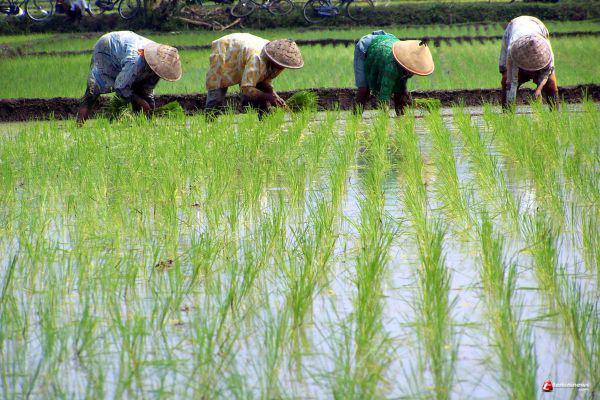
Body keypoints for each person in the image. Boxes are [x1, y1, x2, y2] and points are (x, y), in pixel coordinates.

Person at [77, 31, 182, 125]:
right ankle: (78, 126)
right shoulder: (134, 60)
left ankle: (142, 125)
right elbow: (120, 86)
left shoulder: (158, 69)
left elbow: (147, 91)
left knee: (139, 90)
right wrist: (141, 102)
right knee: (93, 91)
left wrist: (150, 109)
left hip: (127, 48)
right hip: (108, 47)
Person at [204, 33, 304, 115]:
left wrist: (274, 95)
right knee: (217, 93)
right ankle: (209, 123)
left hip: (244, 53)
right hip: (226, 49)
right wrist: (268, 97)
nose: (281, 68)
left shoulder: (276, 63)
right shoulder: (257, 59)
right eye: (280, 65)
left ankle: (265, 121)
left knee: (259, 94)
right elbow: (246, 88)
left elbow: (265, 81)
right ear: (274, 60)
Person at [354, 30, 434, 116]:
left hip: (389, 41)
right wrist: (385, 114)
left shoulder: (409, 64)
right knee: (364, 90)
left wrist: (406, 98)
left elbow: (401, 86)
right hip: (366, 46)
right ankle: (355, 117)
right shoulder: (391, 67)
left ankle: (401, 118)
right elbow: (384, 93)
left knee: (400, 92)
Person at [499, 16, 559, 109]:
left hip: (537, 25)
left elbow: (547, 74)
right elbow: (512, 82)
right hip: (514, 26)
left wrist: (539, 90)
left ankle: (556, 115)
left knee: (551, 83)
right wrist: (509, 89)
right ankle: (507, 115)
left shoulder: (547, 53)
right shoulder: (513, 50)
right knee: (505, 80)